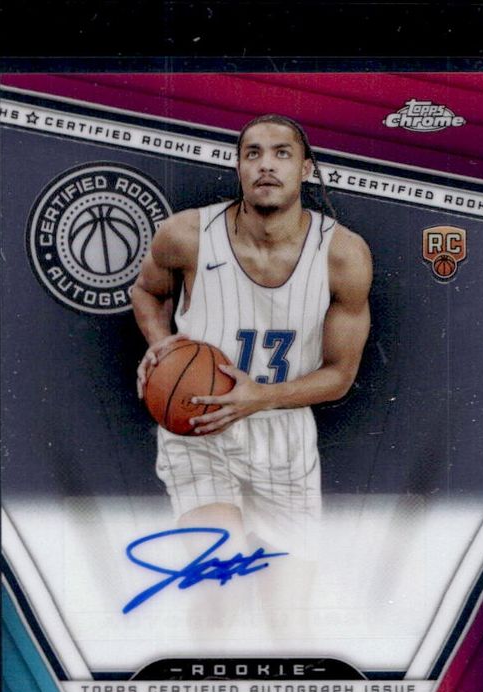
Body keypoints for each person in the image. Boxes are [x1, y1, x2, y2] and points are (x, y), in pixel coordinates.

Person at [131, 114, 372, 574]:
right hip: (198, 427)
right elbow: (146, 291)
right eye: (253, 153)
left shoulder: (343, 254)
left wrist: (260, 397)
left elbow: (340, 375)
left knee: (287, 608)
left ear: (305, 168)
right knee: (217, 583)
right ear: (238, 166)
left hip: (283, 437)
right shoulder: (186, 234)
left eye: (282, 153)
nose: (266, 165)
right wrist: (162, 346)